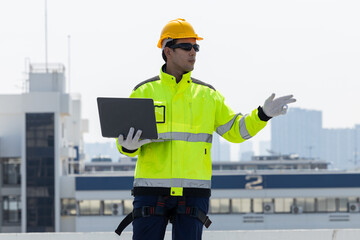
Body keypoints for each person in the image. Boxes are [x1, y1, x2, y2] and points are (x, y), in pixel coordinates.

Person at [115, 18, 296, 240]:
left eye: (196, 47)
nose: (193, 52)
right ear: (167, 50)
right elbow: (124, 144)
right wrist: (127, 146)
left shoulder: (208, 95)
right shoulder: (144, 91)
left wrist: (263, 114)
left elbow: (235, 131)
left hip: (193, 193)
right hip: (151, 191)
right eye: (186, 46)